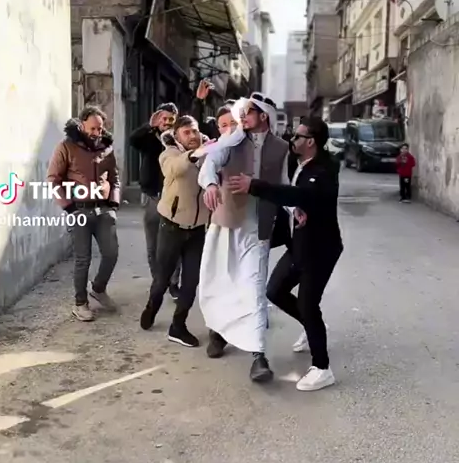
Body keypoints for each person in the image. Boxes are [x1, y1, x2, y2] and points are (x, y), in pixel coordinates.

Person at [228, 117, 343, 392]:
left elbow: (301, 195)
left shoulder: (323, 171)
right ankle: (312, 327)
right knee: (275, 290)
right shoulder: (298, 162)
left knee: (308, 304)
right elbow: (290, 192)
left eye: (298, 136)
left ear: (311, 142)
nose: (292, 140)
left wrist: (254, 185)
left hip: (320, 249)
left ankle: (322, 368)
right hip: (299, 244)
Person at [198, 93, 290, 383]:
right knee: (221, 280)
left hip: (259, 227)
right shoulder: (232, 140)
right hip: (227, 222)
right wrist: (210, 185)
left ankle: (258, 356)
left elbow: (284, 183)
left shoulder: (281, 147)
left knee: (254, 286)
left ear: (263, 115)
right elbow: (210, 164)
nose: (243, 116)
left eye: (249, 112)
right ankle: (217, 331)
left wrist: (296, 209)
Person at [139, 115, 210, 348]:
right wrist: (193, 155)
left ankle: (178, 326)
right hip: (171, 227)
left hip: (198, 230)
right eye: (187, 132)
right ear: (177, 136)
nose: (193, 135)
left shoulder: (207, 152)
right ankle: (152, 305)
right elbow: (174, 169)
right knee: (162, 279)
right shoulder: (169, 154)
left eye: (195, 131)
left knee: (191, 283)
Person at [47, 105, 120, 322]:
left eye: (100, 128)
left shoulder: (106, 148)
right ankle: (80, 303)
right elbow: (53, 180)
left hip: (103, 210)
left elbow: (114, 178)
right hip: (78, 210)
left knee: (111, 253)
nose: (97, 133)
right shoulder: (66, 147)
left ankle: (98, 289)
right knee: (83, 259)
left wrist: (113, 203)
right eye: (93, 128)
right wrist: (68, 207)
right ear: (81, 125)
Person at [129, 102, 181, 298]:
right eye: (163, 119)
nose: (166, 122)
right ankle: (158, 280)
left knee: (174, 244)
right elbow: (133, 141)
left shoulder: (179, 140)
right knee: (153, 244)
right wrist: (149, 127)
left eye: (170, 119)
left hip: (175, 198)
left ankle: (174, 282)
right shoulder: (149, 137)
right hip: (153, 197)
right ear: (157, 119)